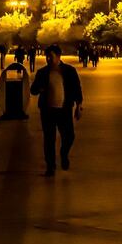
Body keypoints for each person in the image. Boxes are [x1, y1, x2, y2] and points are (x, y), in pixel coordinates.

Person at [29, 44, 83, 176]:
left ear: (58, 56)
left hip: (64, 110)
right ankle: (50, 166)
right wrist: (40, 88)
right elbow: (33, 90)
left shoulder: (69, 71)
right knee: (49, 139)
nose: (48, 59)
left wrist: (79, 105)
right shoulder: (42, 73)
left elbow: (77, 88)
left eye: (51, 56)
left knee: (69, 136)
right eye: (47, 56)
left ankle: (64, 154)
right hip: (47, 111)